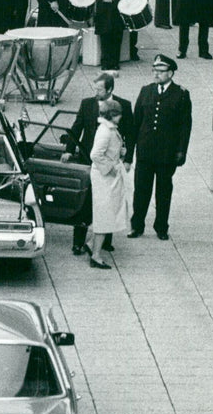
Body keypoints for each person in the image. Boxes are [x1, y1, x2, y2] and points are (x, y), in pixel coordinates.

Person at [63, 72, 135, 257]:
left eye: (99, 89)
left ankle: (105, 242)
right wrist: (69, 150)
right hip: (89, 160)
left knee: (109, 203)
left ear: (110, 89)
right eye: (94, 89)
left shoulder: (123, 106)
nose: (96, 92)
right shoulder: (87, 104)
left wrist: (127, 159)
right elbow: (77, 126)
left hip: (108, 162)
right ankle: (78, 243)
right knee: (85, 203)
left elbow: (130, 133)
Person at [129, 54, 192, 241]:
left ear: (170, 73)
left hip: (166, 153)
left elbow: (185, 125)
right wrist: (131, 151)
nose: (156, 74)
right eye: (154, 70)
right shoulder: (146, 91)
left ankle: (161, 227)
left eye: (161, 71)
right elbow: (136, 122)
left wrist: (181, 151)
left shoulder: (180, 94)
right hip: (145, 151)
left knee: (163, 192)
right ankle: (137, 225)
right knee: (141, 190)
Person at [88, 98, 130, 269]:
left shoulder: (107, 129)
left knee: (105, 212)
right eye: (118, 114)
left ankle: (92, 245)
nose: (120, 117)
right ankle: (96, 255)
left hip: (105, 176)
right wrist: (110, 168)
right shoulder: (106, 131)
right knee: (105, 214)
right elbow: (95, 154)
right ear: (112, 115)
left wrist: (120, 152)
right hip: (104, 178)